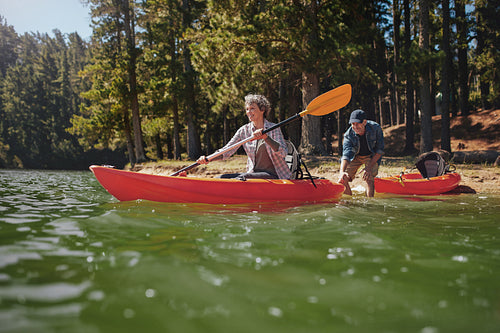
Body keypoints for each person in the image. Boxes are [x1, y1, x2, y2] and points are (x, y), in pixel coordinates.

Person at [197, 94, 292, 180]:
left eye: (252, 108)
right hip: (253, 174)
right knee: (221, 177)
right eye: (247, 109)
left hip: (274, 175)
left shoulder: (274, 129)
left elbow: (283, 152)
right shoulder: (244, 130)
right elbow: (227, 151)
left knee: (242, 177)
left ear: (262, 109)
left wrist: (266, 137)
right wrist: (208, 159)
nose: (248, 112)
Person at [338, 109, 384, 197]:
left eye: (357, 123)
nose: (355, 126)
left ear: (364, 122)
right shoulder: (348, 135)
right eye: (353, 124)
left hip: (371, 156)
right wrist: (341, 171)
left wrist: (369, 167)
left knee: (369, 178)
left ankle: (369, 203)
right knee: (343, 179)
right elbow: (346, 155)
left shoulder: (376, 128)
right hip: (355, 156)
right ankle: (349, 205)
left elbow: (379, 151)